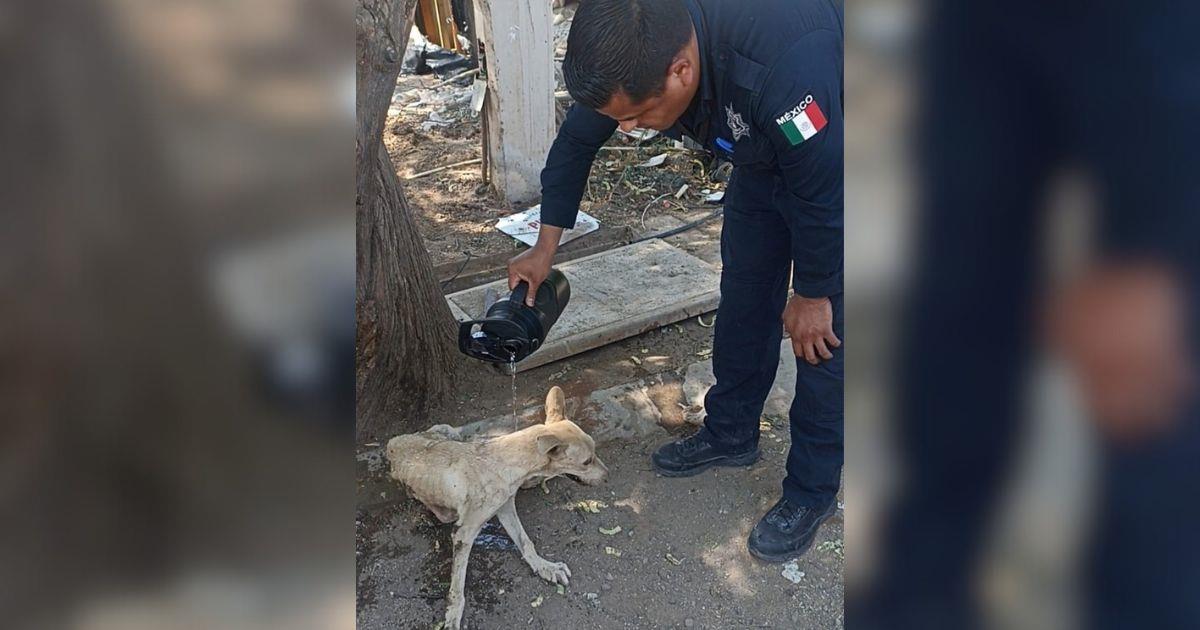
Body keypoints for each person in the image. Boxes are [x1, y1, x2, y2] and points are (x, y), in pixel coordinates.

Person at [506, 0, 844, 562]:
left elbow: (825, 192)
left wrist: (814, 291)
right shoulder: (635, 55)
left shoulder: (787, 63)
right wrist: (544, 248)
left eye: (637, 116)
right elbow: (576, 142)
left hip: (839, 156)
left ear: (682, 70)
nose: (628, 130)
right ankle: (731, 433)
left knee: (822, 339)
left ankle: (811, 490)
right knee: (745, 299)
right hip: (761, 158)